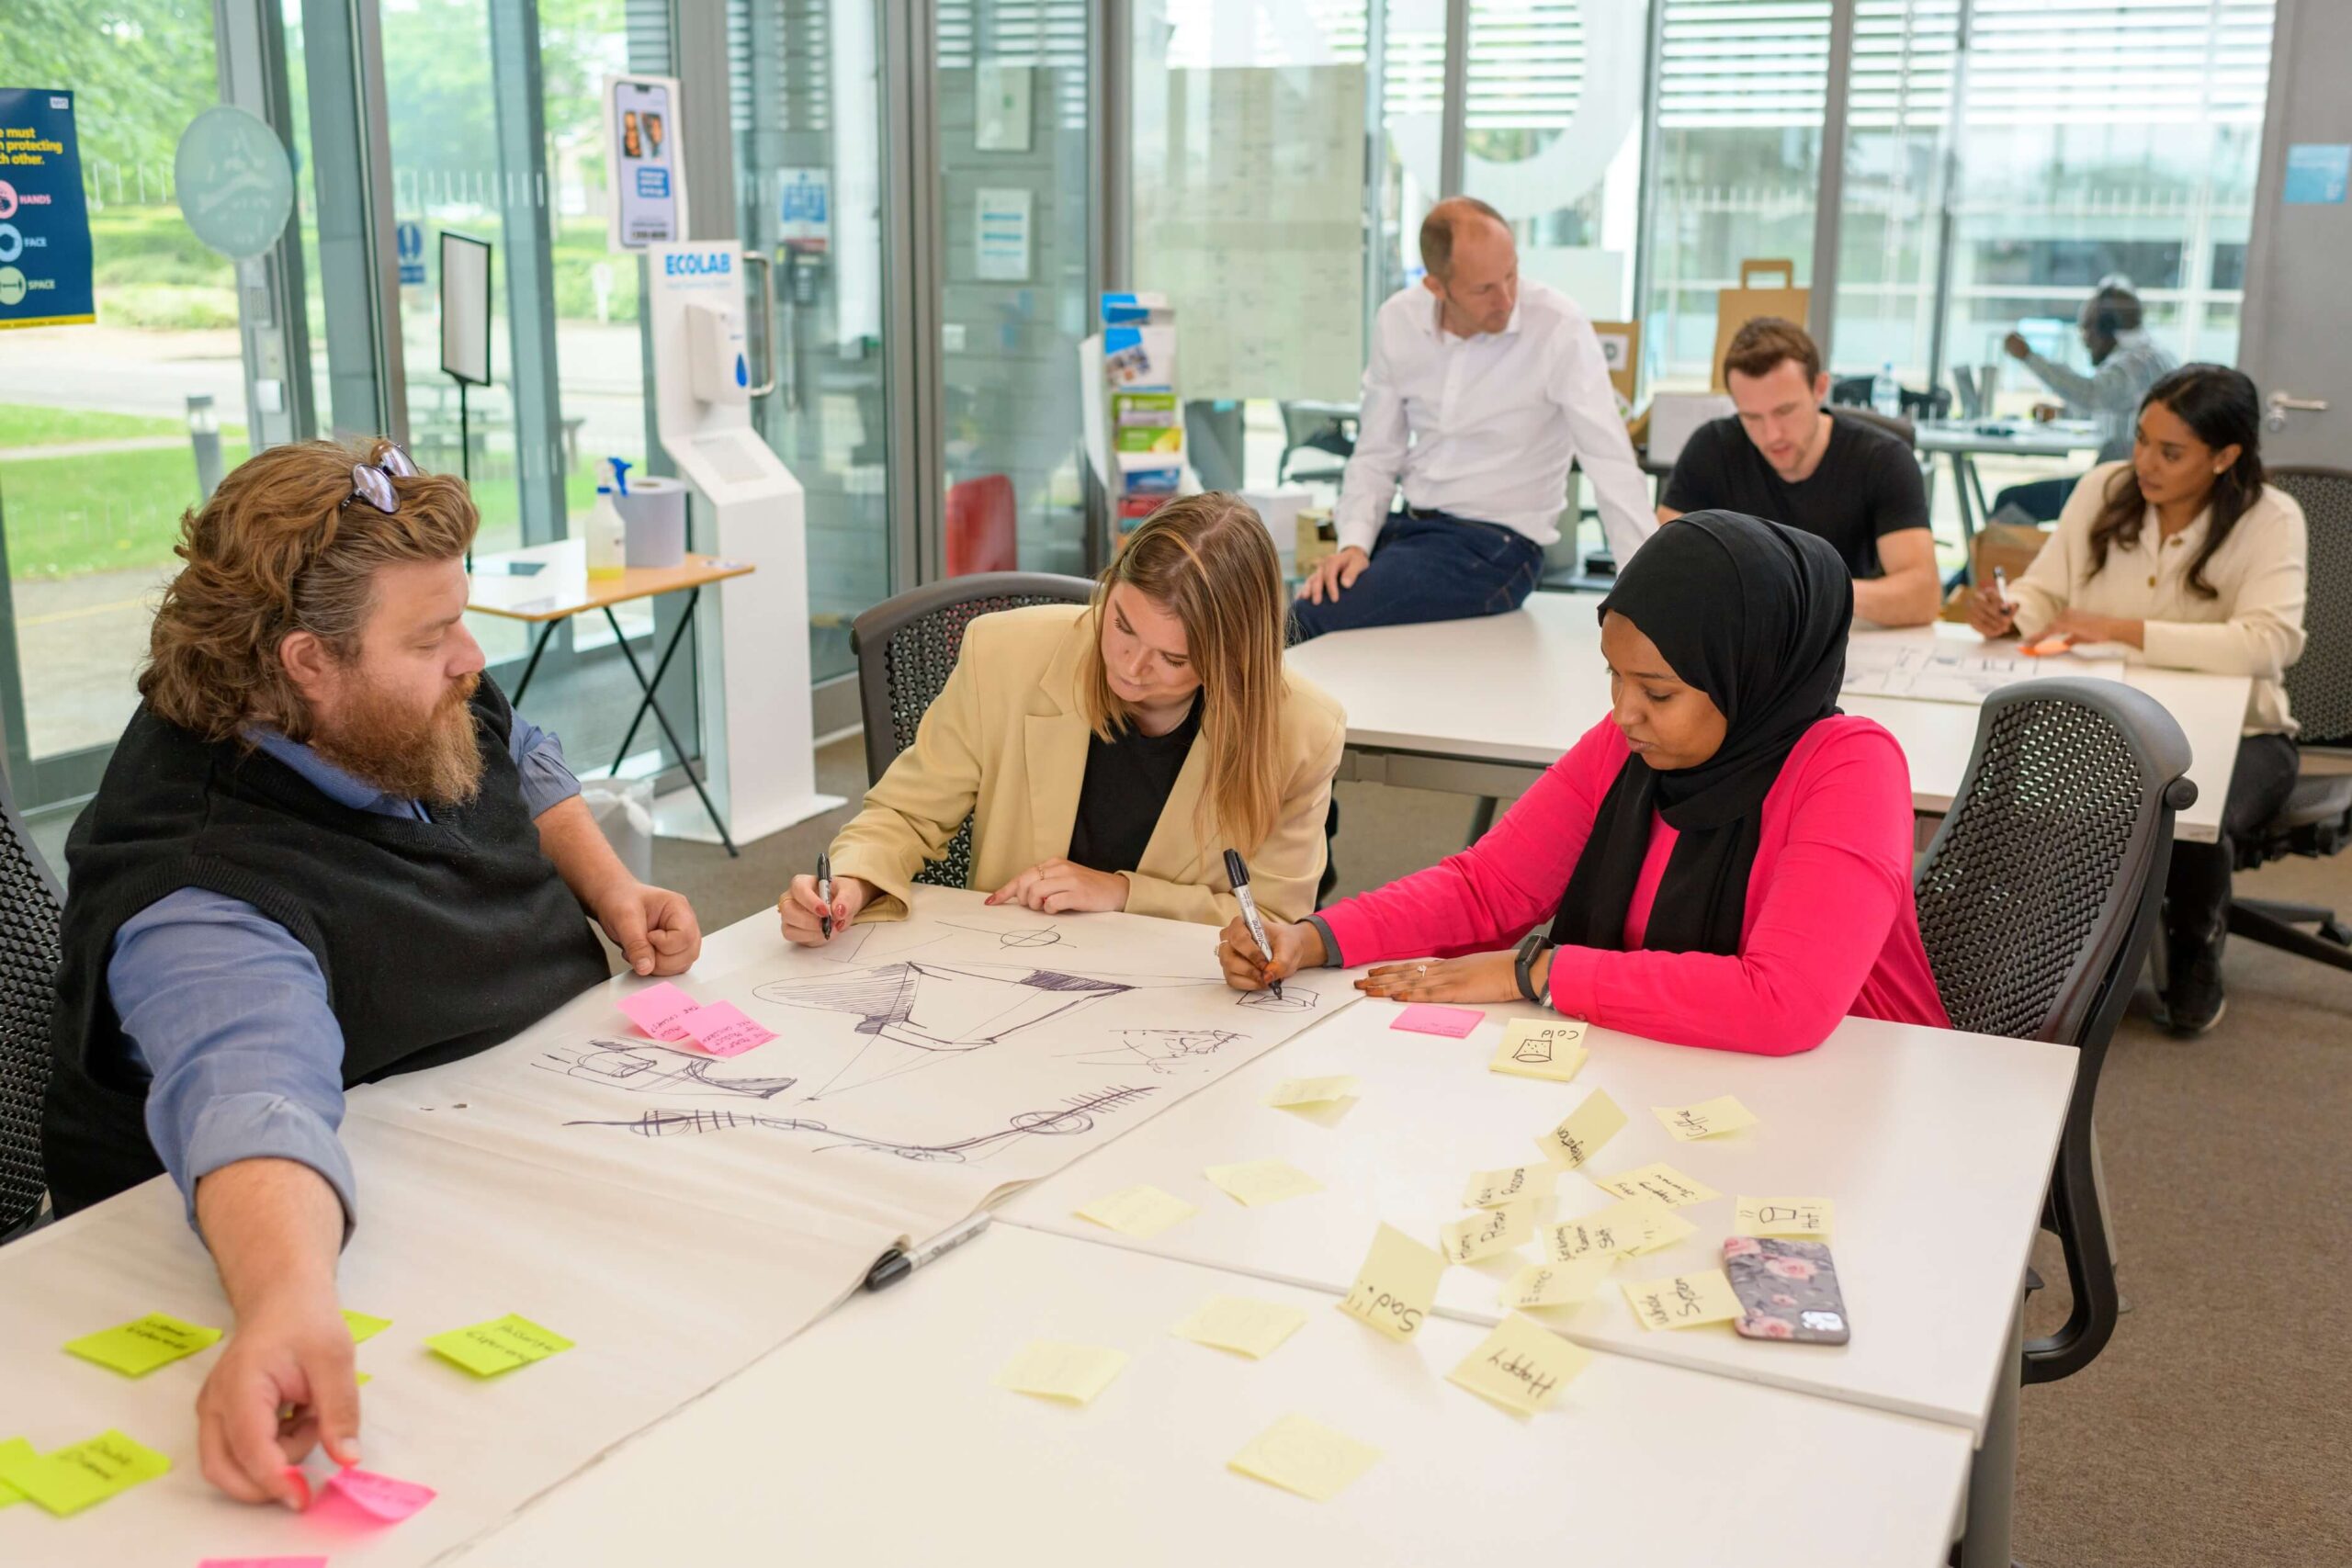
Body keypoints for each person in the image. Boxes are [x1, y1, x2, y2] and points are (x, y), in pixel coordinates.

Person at [44, 439, 702, 1506]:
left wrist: (608, 887)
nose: (470, 658)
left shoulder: (395, 703)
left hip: (552, 1135)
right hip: (399, 1232)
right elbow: (252, 1088)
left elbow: (519, 748)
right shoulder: (202, 880)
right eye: (434, 635)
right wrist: (287, 1303)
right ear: (309, 661)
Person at [1220, 511, 1951, 1054]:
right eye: (1613, 674)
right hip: (1675, 1076)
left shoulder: (1850, 768)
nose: (1623, 712)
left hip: (1862, 1093)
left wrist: (1539, 971)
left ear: (1749, 676)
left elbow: (1782, 1003)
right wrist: (1314, 937)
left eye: (1657, 692)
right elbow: (1488, 888)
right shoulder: (1628, 748)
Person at [781, 493, 1345, 941]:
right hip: (1003, 977)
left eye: (1174, 658)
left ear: (1232, 658)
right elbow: (905, 815)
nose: (1131, 667)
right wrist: (852, 882)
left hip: (1175, 1005)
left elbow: (1273, 921)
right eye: (1122, 624)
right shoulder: (1002, 655)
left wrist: (1124, 893)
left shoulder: (1301, 731)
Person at [1967, 365, 2305, 1034]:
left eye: (2170, 451)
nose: (2144, 463)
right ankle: (2052, 960)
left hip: (2249, 737)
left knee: (2186, 797)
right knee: (2024, 788)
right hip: (2107, 727)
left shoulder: (2270, 518)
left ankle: (2194, 943)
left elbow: (2270, 643)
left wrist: (2118, 629)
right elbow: (2045, 595)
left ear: (2225, 456)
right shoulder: (2105, 489)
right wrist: (2009, 611)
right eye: (2142, 439)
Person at [1291, 196, 1654, 640]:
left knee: (1306, 620)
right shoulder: (1398, 321)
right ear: (1436, 287)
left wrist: (1644, 598)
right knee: (1291, 602)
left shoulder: (1558, 327)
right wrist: (1354, 543)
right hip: (1410, 529)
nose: (1506, 299)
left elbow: (1611, 462)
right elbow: (1376, 453)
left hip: (1498, 548)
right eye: (1484, 289)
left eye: (1511, 274)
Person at [1657, 317, 1940, 626]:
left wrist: (1807, 592)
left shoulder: (1882, 460)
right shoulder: (1712, 448)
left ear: (1819, 388)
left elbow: (1923, 597)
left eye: (1784, 411)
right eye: (1752, 417)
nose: (1772, 434)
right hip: (1742, 641)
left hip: (1845, 639)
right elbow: (1663, 563)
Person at [1994, 280, 2177, 522]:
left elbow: (2092, 394)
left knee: (2011, 500)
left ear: (2106, 328)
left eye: (2086, 329)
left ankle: (2003, 560)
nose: (2084, 340)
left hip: (2120, 488)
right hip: (2126, 482)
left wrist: (2028, 356)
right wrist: (2064, 413)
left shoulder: (2134, 365)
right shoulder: (2152, 357)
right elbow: (2114, 405)